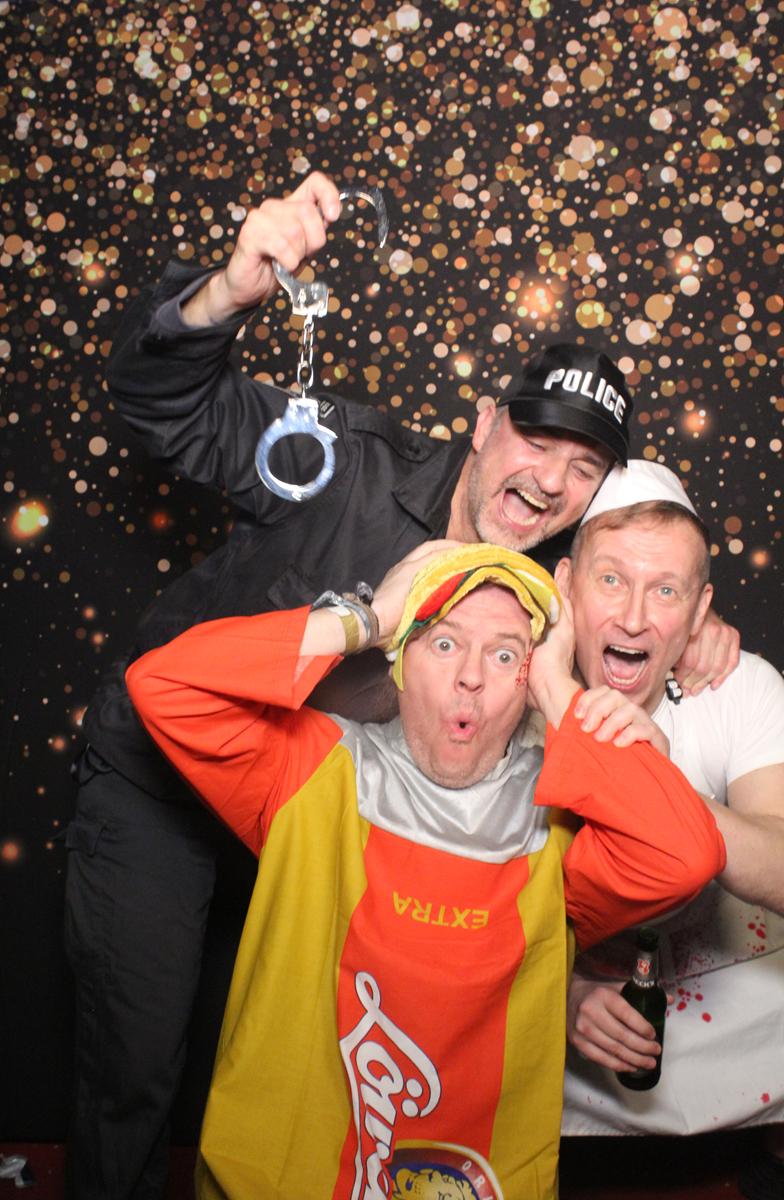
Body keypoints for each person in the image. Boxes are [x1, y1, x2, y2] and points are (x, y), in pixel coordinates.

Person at [63, 172, 736, 1200]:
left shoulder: (545, 580)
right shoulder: (348, 461)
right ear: (483, 422)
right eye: (535, 442)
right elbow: (166, 411)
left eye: (583, 469)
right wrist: (226, 294)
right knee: (137, 1060)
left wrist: (693, 630)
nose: (549, 480)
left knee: (292, 1074)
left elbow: (631, 614)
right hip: (168, 777)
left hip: (325, 824)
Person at [124, 539, 725, 1200]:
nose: (471, 676)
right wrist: (366, 619)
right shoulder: (311, 770)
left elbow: (686, 856)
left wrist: (560, 690)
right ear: (401, 661)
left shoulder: (557, 825)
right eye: (443, 643)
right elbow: (164, 685)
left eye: (505, 656)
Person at [556, 461, 784, 1198]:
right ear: (565, 585)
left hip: (742, 1088)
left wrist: (662, 792)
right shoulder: (505, 690)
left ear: (699, 609)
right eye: (611, 580)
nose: (632, 618)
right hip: (566, 1101)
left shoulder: (741, 688)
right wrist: (561, 996)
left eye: (665, 591)